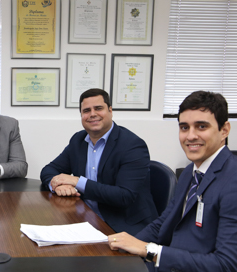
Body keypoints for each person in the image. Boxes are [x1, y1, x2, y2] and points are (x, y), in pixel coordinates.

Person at [109, 91, 237, 272]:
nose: (190, 136)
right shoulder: (192, 171)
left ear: (224, 130)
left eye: (201, 126)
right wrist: (126, 246)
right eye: (184, 127)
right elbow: (165, 221)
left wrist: (149, 251)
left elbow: (227, 269)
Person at [40, 88, 157, 235]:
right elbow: (49, 169)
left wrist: (77, 181)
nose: (92, 114)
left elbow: (124, 196)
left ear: (110, 110)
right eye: (86, 110)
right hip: (85, 217)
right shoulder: (79, 140)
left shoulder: (132, 145)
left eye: (98, 108)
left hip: (122, 224)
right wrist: (56, 185)